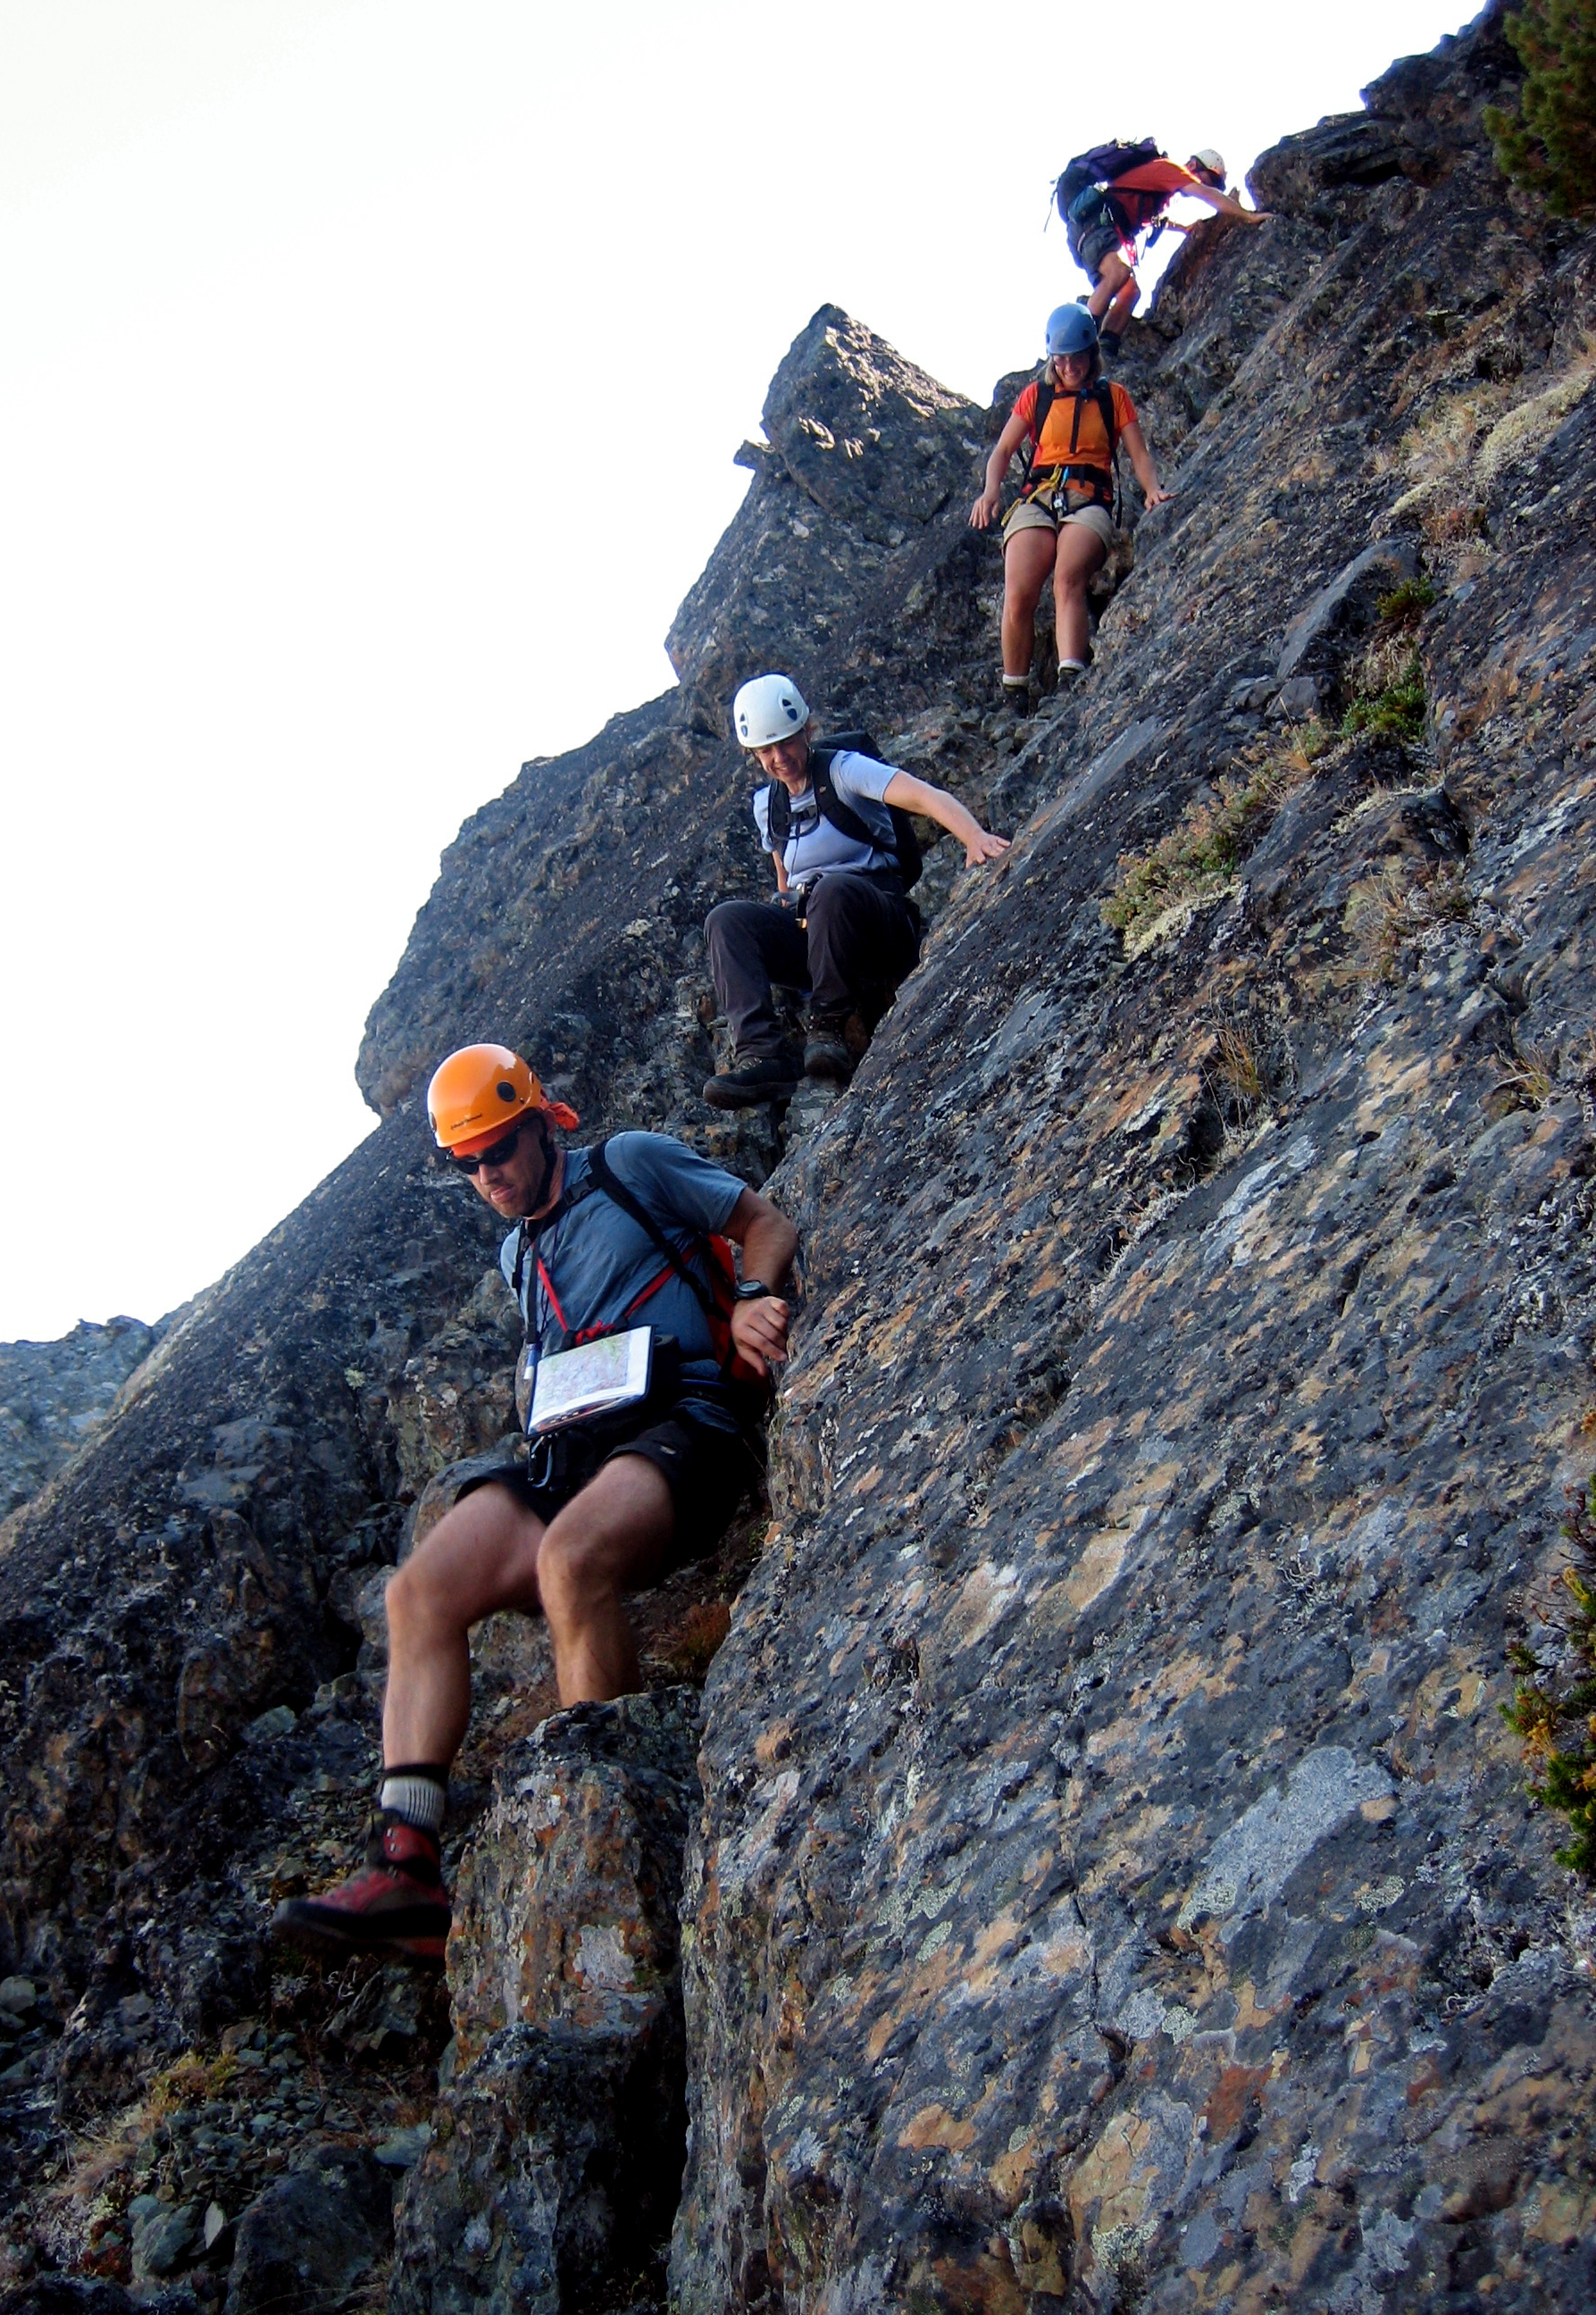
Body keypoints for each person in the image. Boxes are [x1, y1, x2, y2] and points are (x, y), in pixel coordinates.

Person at [272, 1044, 796, 1961]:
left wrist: (753, 1296)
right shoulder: (517, 1255)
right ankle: (406, 1866)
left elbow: (763, 1220)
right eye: (466, 1164)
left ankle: (607, 1828)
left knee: (571, 1561)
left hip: (684, 1418)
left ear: (539, 1125)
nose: (488, 1176)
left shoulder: (630, 1163)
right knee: (416, 1594)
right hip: (570, 1444)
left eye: (499, 1151)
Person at [702, 675, 1009, 1107]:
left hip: (876, 921)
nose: (780, 758)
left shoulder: (844, 770)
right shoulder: (766, 805)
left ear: (807, 732)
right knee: (726, 919)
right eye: (767, 751)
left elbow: (923, 796)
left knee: (832, 891)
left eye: (787, 743)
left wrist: (974, 836)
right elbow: (784, 876)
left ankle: (828, 1026)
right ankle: (761, 1055)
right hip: (819, 930)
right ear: (753, 754)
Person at [969, 305, 1169, 712]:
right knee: (1019, 590)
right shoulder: (1037, 396)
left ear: (1092, 353)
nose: (1069, 366)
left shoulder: (1113, 398)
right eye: (1061, 359)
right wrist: (990, 491)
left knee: (1067, 578)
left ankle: (1070, 678)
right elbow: (1003, 449)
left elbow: (1138, 453)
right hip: (1040, 497)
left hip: (1089, 499)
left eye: (1076, 357)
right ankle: (1014, 693)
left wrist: (1152, 490)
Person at [1066, 144, 1267, 362]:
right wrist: (1248, 216)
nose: (1204, 185)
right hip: (1095, 226)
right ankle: (1076, 343)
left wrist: (1182, 228)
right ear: (1193, 165)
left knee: (1131, 291)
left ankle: (1106, 349)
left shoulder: (1162, 188)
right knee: (1118, 273)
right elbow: (1208, 196)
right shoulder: (1170, 170)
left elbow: (1151, 218)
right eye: (1206, 179)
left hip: (1095, 230)